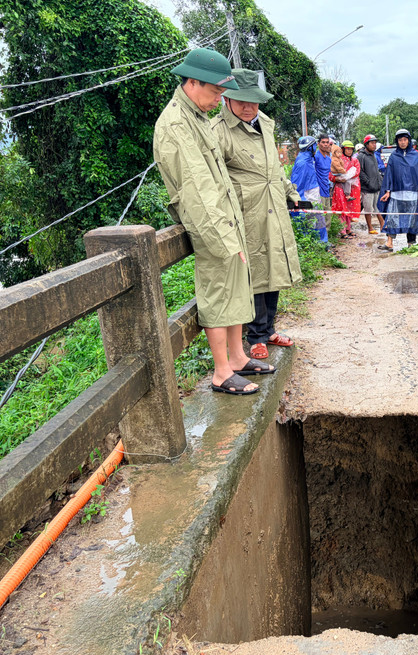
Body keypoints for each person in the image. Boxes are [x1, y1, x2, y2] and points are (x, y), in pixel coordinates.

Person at [153, 48, 266, 396]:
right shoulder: (175, 125)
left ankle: (236, 357)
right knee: (218, 293)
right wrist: (225, 238)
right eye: (216, 91)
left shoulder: (197, 116)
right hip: (210, 224)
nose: (220, 98)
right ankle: (221, 371)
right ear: (192, 82)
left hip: (226, 219)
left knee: (236, 291)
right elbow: (197, 190)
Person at [213, 68, 301, 364]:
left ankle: (270, 328)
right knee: (253, 275)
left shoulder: (265, 123)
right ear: (227, 99)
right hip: (245, 211)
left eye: (254, 101)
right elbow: (215, 178)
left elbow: (273, 166)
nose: (248, 107)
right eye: (241, 100)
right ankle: (256, 337)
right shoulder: (218, 131)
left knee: (274, 268)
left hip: (272, 206)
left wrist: (289, 189)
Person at [378, 129, 418, 252]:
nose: (403, 142)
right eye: (400, 140)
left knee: (412, 219)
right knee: (393, 217)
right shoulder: (394, 156)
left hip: (413, 193)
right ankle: (389, 243)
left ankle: (411, 243)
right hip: (396, 193)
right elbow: (389, 174)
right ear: (397, 142)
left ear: (408, 141)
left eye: (405, 140)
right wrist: (387, 191)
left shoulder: (416, 156)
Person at [290, 135, 327, 241]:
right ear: (309, 147)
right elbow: (298, 183)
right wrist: (299, 198)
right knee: (315, 219)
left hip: (312, 191)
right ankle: (319, 242)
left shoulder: (308, 158)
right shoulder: (304, 162)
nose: (316, 147)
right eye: (314, 145)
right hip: (308, 194)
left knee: (317, 218)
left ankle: (321, 241)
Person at [330, 140, 361, 237]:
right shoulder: (337, 160)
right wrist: (337, 178)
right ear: (343, 149)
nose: (350, 151)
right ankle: (342, 231)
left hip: (352, 188)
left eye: (351, 149)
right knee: (342, 209)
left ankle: (348, 229)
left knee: (349, 209)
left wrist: (347, 177)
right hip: (340, 188)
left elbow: (357, 171)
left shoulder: (355, 160)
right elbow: (330, 174)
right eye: (348, 149)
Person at [358, 134, 385, 234]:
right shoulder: (361, 156)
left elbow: (376, 171)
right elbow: (360, 171)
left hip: (376, 187)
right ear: (366, 144)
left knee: (378, 207)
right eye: (372, 143)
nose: (374, 145)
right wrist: (368, 182)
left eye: (375, 143)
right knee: (368, 208)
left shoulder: (373, 155)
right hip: (367, 188)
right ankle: (370, 228)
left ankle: (382, 224)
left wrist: (380, 182)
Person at [314, 134, 334, 238]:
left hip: (327, 190)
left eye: (327, 142)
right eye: (323, 142)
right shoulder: (316, 157)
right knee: (320, 217)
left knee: (328, 216)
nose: (326, 144)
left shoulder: (329, 158)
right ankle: (321, 241)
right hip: (319, 191)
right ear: (318, 144)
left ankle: (326, 239)